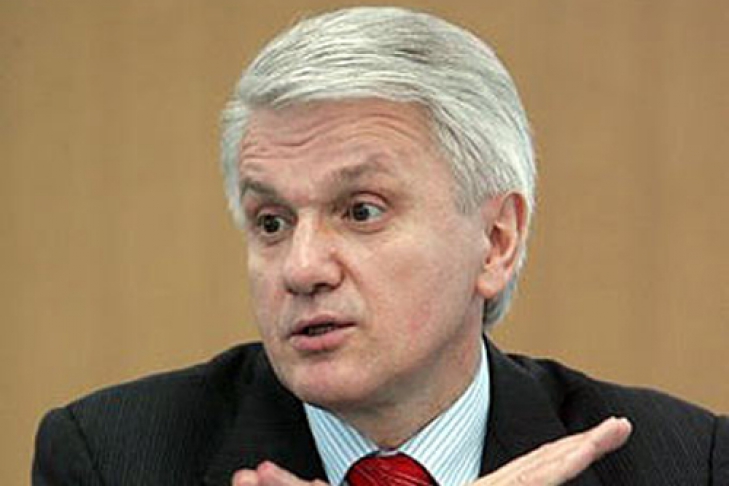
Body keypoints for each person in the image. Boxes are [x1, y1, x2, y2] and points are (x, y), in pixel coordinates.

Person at [33, 6, 727, 486]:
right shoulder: (112, 457)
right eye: (271, 222)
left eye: (361, 211)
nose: (302, 268)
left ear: (495, 242)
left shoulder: (684, 463)